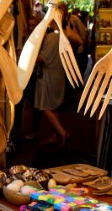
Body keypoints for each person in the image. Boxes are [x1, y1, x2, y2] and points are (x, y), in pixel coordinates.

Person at [34, 20, 70, 148]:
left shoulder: (51, 37)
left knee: (45, 107)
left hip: (49, 76)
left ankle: (63, 133)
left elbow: (44, 58)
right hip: (58, 75)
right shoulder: (62, 36)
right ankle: (55, 136)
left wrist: (28, 54)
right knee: (54, 107)